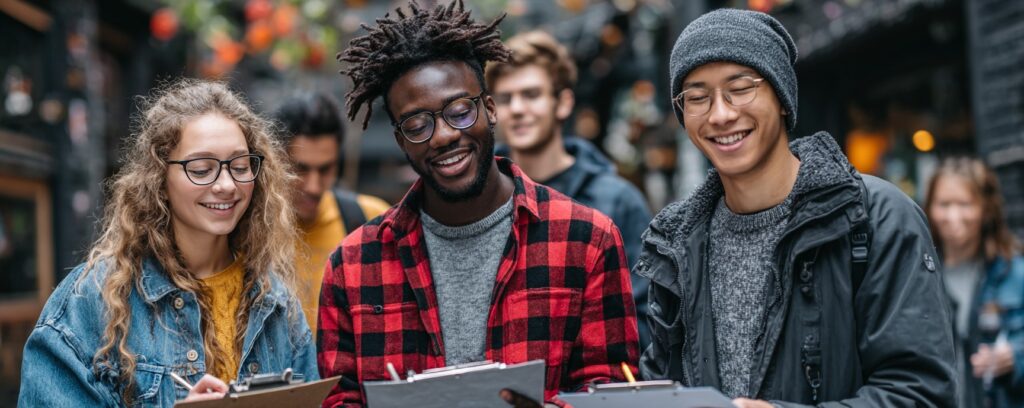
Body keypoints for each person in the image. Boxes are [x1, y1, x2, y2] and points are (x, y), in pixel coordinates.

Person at [318, 1, 639, 406]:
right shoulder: (352, 267)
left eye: (459, 111)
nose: (443, 136)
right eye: (418, 124)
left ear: (490, 109)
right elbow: (337, 399)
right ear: (400, 140)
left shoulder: (586, 241)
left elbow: (612, 390)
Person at [638, 9, 957, 407]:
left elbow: (922, 394)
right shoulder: (676, 244)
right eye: (698, 97)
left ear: (784, 99)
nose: (721, 114)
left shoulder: (874, 218)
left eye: (740, 88)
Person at [18, 79, 318, 406]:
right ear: (160, 178)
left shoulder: (274, 300)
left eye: (240, 166)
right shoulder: (93, 301)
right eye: (202, 169)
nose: (227, 184)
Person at [486, 30, 654, 349]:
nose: (518, 108)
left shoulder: (616, 201)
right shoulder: (484, 200)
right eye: (506, 98)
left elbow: (644, 320)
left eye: (532, 94)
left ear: (563, 103)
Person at [273, 91, 390, 333]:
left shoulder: (371, 220)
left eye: (325, 169)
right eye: (300, 169)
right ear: (276, 159)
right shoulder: (253, 231)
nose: (314, 186)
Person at [925, 157, 1024, 408]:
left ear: (985, 209)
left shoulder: (1015, 272)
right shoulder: (919, 271)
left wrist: (1017, 357)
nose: (953, 215)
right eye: (944, 204)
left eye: (965, 204)